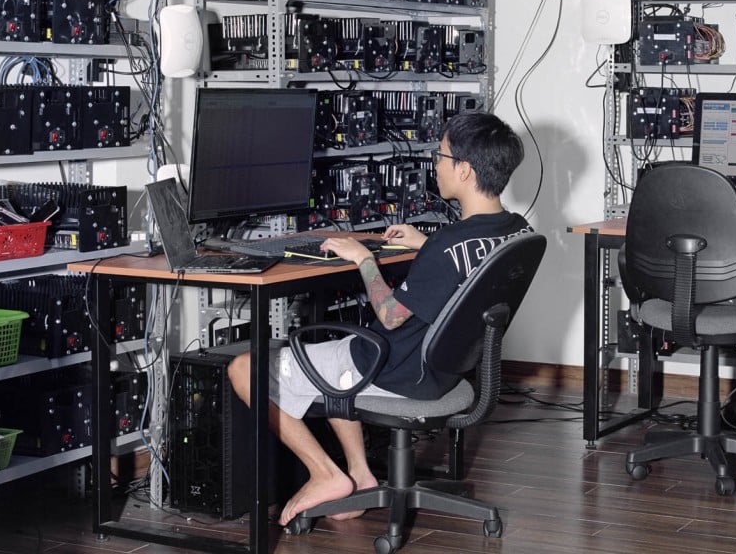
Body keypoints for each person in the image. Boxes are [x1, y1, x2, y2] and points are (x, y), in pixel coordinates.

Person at [227, 111, 532, 526]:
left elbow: (389, 317)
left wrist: (363, 257)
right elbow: (469, 269)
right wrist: (424, 243)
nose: (434, 164)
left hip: (397, 372)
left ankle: (325, 474)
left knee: (245, 369)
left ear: (463, 169)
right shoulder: (515, 230)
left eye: (439, 156)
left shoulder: (447, 246)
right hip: (447, 371)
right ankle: (360, 476)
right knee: (334, 355)